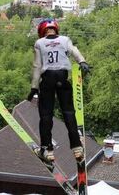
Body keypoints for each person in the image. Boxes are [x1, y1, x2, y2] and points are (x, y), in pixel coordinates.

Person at [28, 18, 90, 162]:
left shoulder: (39, 43)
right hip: (63, 77)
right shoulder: (65, 39)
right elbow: (74, 50)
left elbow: (37, 66)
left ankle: (47, 149)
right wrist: (82, 61)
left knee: (46, 115)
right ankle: (77, 148)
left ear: (42, 31)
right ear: (56, 28)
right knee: (68, 112)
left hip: (47, 79)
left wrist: (34, 88)